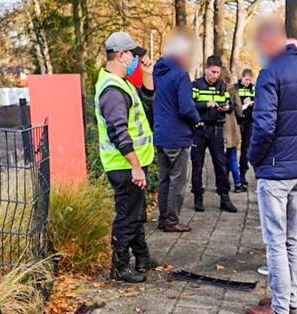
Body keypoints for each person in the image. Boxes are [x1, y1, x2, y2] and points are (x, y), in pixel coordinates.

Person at [244, 19, 297, 314]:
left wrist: (254, 159)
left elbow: (264, 127)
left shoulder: (270, 75)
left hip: (276, 171)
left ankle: (279, 305)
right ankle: (288, 298)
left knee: (276, 241)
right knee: (292, 238)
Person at [95, 31, 155, 283]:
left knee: (136, 213)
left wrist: (147, 75)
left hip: (131, 163)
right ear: (121, 55)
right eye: (133, 55)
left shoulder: (123, 83)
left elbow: (148, 104)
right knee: (127, 217)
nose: (136, 60)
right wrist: (135, 166)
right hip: (124, 165)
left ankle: (142, 258)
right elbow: (119, 133)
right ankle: (119, 267)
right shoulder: (112, 91)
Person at [151, 30, 200, 234]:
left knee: (164, 179)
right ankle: (172, 220)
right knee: (178, 181)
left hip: (161, 134)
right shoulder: (180, 75)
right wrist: (197, 120)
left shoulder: (157, 72)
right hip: (178, 136)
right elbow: (186, 108)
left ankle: (163, 218)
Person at [191, 55, 238, 213]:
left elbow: (230, 106)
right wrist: (206, 104)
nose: (215, 75)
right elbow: (190, 105)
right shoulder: (196, 85)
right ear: (206, 69)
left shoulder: (222, 86)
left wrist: (227, 108)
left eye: (218, 72)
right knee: (197, 165)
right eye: (212, 72)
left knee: (221, 163)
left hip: (217, 129)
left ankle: (224, 197)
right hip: (200, 129)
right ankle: (198, 196)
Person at [223, 68, 245, 190]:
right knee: (232, 156)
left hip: (220, 127)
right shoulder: (233, 90)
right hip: (231, 127)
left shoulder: (217, 89)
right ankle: (237, 183)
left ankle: (223, 182)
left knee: (220, 158)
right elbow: (239, 109)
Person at [234, 68, 256, 190]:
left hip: (249, 121)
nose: (248, 82)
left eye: (249, 80)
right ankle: (230, 172)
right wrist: (244, 104)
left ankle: (242, 174)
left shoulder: (253, 89)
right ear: (242, 77)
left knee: (245, 149)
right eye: (246, 79)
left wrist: (252, 103)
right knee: (232, 147)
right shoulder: (236, 88)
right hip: (238, 121)